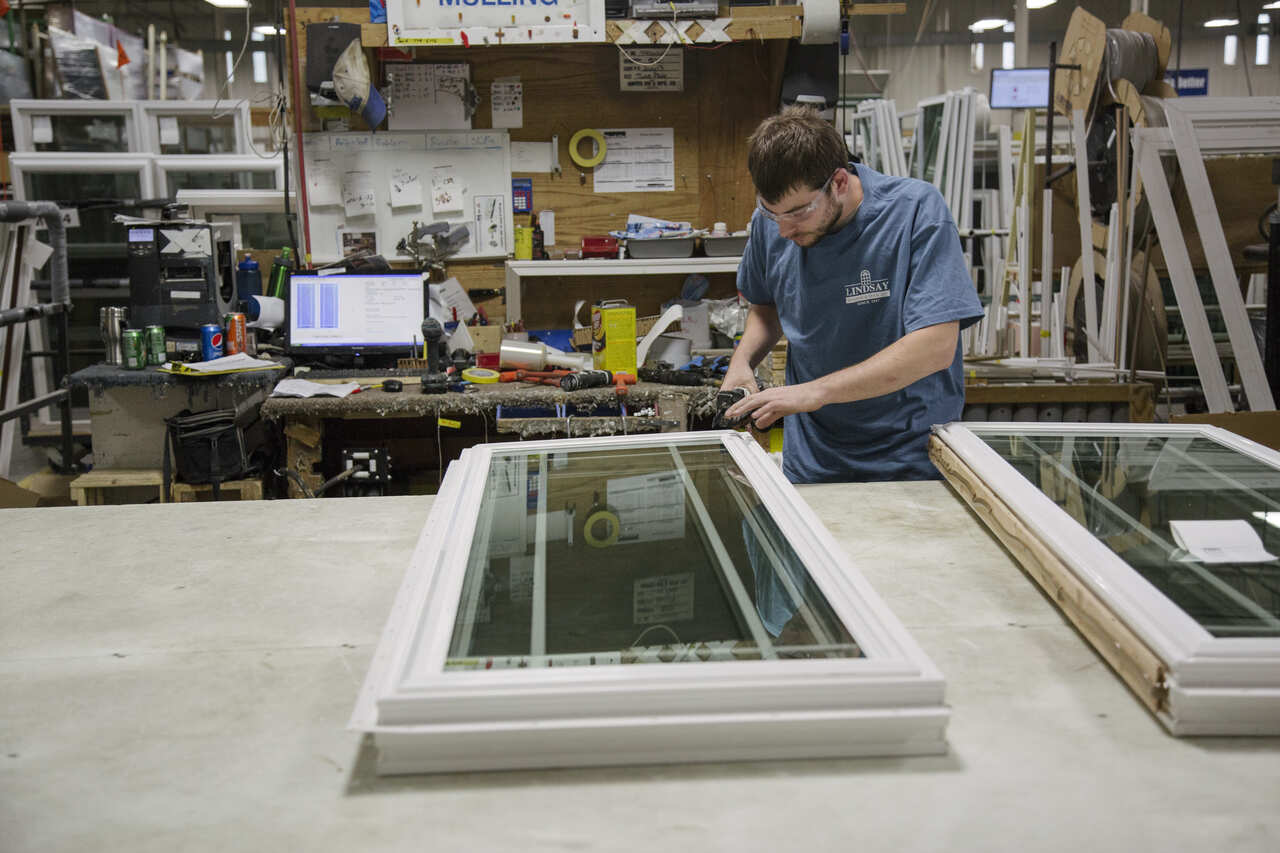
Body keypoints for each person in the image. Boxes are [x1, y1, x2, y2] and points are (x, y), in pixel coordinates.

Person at [722, 105, 983, 484]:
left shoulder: (914, 213)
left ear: (839, 183)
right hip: (813, 460)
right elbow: (767, 306)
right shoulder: (775, 222)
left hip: (911, 459)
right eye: (770, 213)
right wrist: (742, 362)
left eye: (797, 214)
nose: (783, 231)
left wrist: (814, 392)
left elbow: (936, 346)